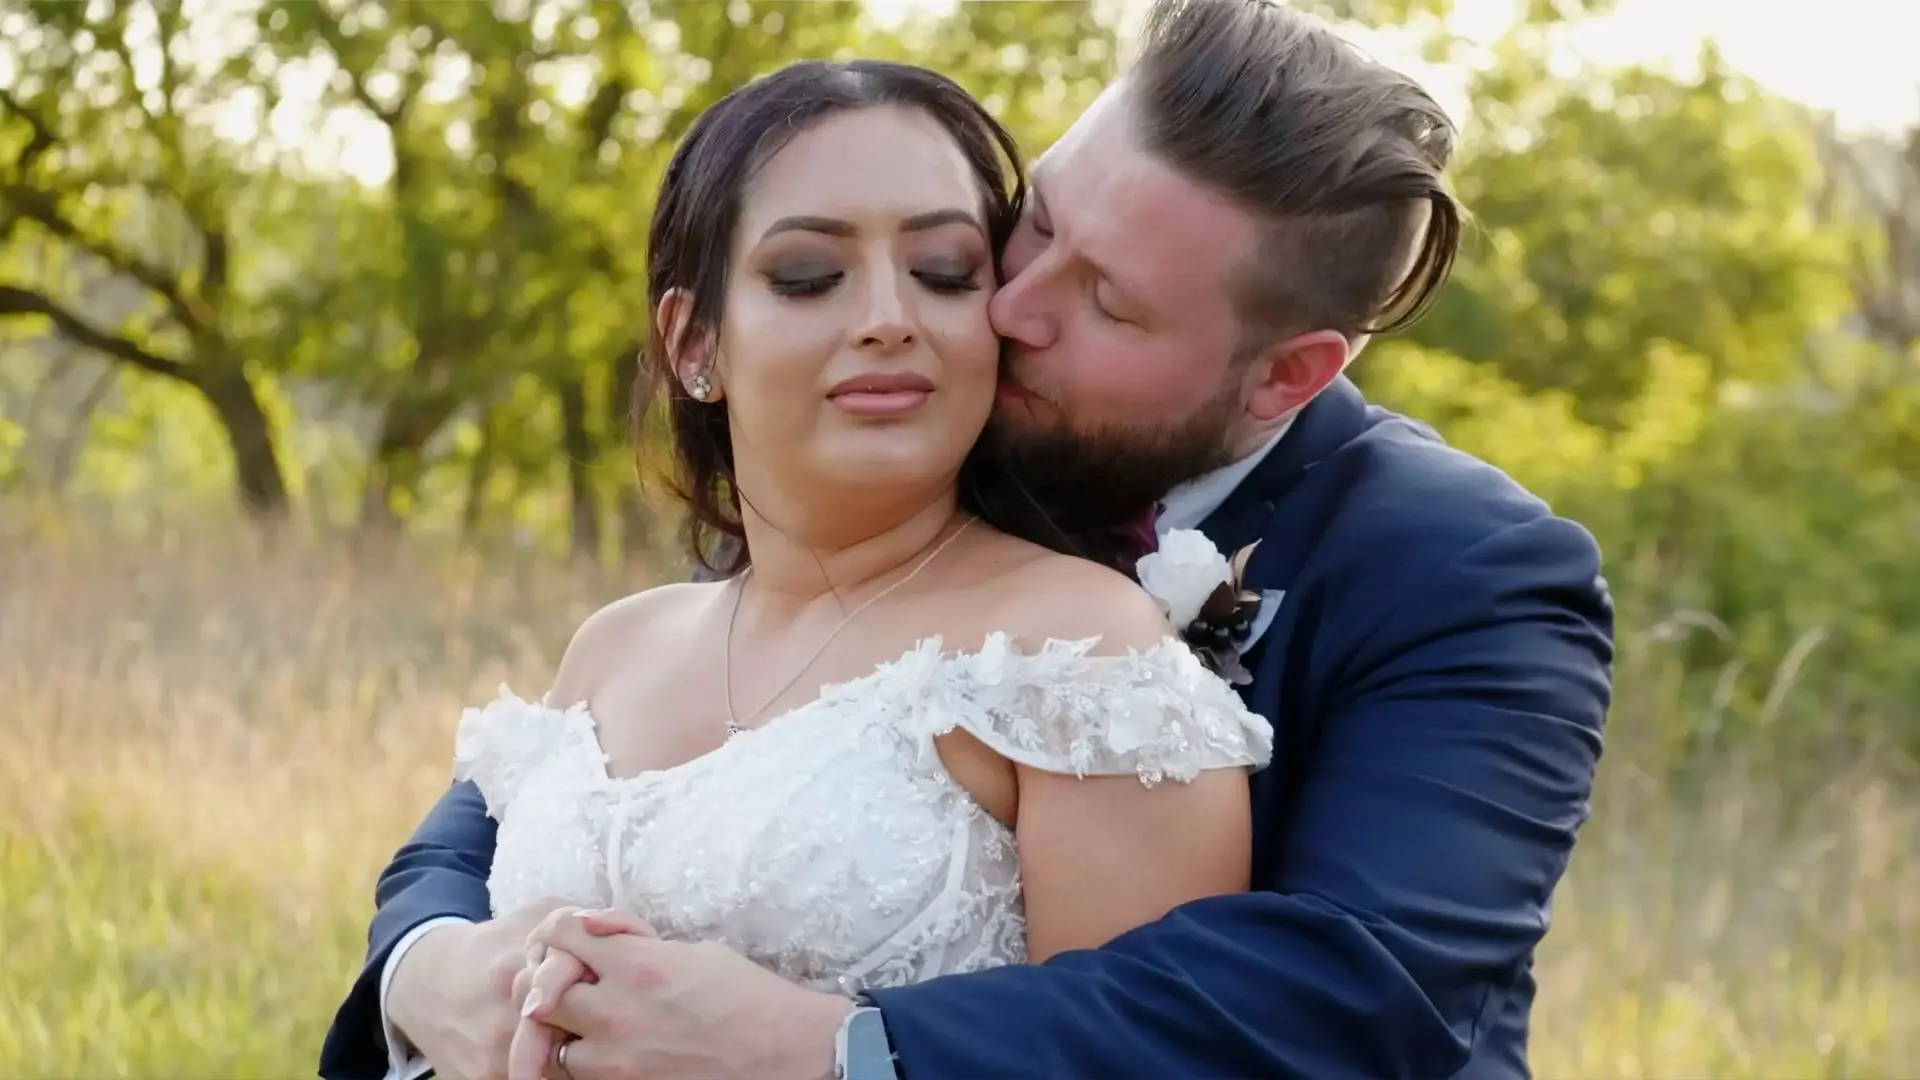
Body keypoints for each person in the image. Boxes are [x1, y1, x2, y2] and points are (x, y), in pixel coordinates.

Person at [319, 1, 1615, 1079]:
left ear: (1285, 375)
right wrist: (429, 972)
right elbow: (531, 807)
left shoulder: (1466, 574)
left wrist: (834, 1051)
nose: (1007, 305)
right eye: (1035, 222)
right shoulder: (916, 439)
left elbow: (1355, 993)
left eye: (1106, 299)